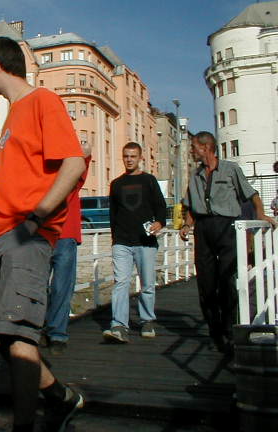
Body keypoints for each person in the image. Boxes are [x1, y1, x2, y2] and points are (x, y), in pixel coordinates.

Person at [0, 36, 86, 432]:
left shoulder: (43, 101)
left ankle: (24, 426)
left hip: (26, 234)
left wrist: (36, 218)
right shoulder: (11, 116)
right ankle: (59, 397)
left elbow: (73, 163)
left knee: (20, 333)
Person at [180, 131, 276, 354]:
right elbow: (191, 206)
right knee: (206, 285)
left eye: (194, 147)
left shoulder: (231, 169)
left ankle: (229, 329)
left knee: (227, 281)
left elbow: (251, 195)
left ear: (206, 148)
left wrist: (261, 215)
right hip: (204, 229)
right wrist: (186, 225)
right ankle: (215, 332)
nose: (192, 151)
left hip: (226, 228)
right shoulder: (195, 175)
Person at [103, 142, 167, 344]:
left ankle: (147, 321)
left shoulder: (149, 180)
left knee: (147, 284)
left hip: (145, 241)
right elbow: (113, 214)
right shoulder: (116, 184)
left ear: (140, 158)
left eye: (133, 156)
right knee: (121, 283)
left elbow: (161, 206)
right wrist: (115, 239)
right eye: (126, 156)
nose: (129, 160)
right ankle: (118, 325)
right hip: (122, 241)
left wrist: (160, 222)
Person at [43, 144, 91, 355]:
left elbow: (82, 161)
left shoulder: (72, 171)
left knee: (61, 287)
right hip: (43, 234)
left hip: (65, 235)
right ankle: (46, 328)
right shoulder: (42, 173)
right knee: (39, 286)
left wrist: (84, 152)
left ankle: (57, 333)